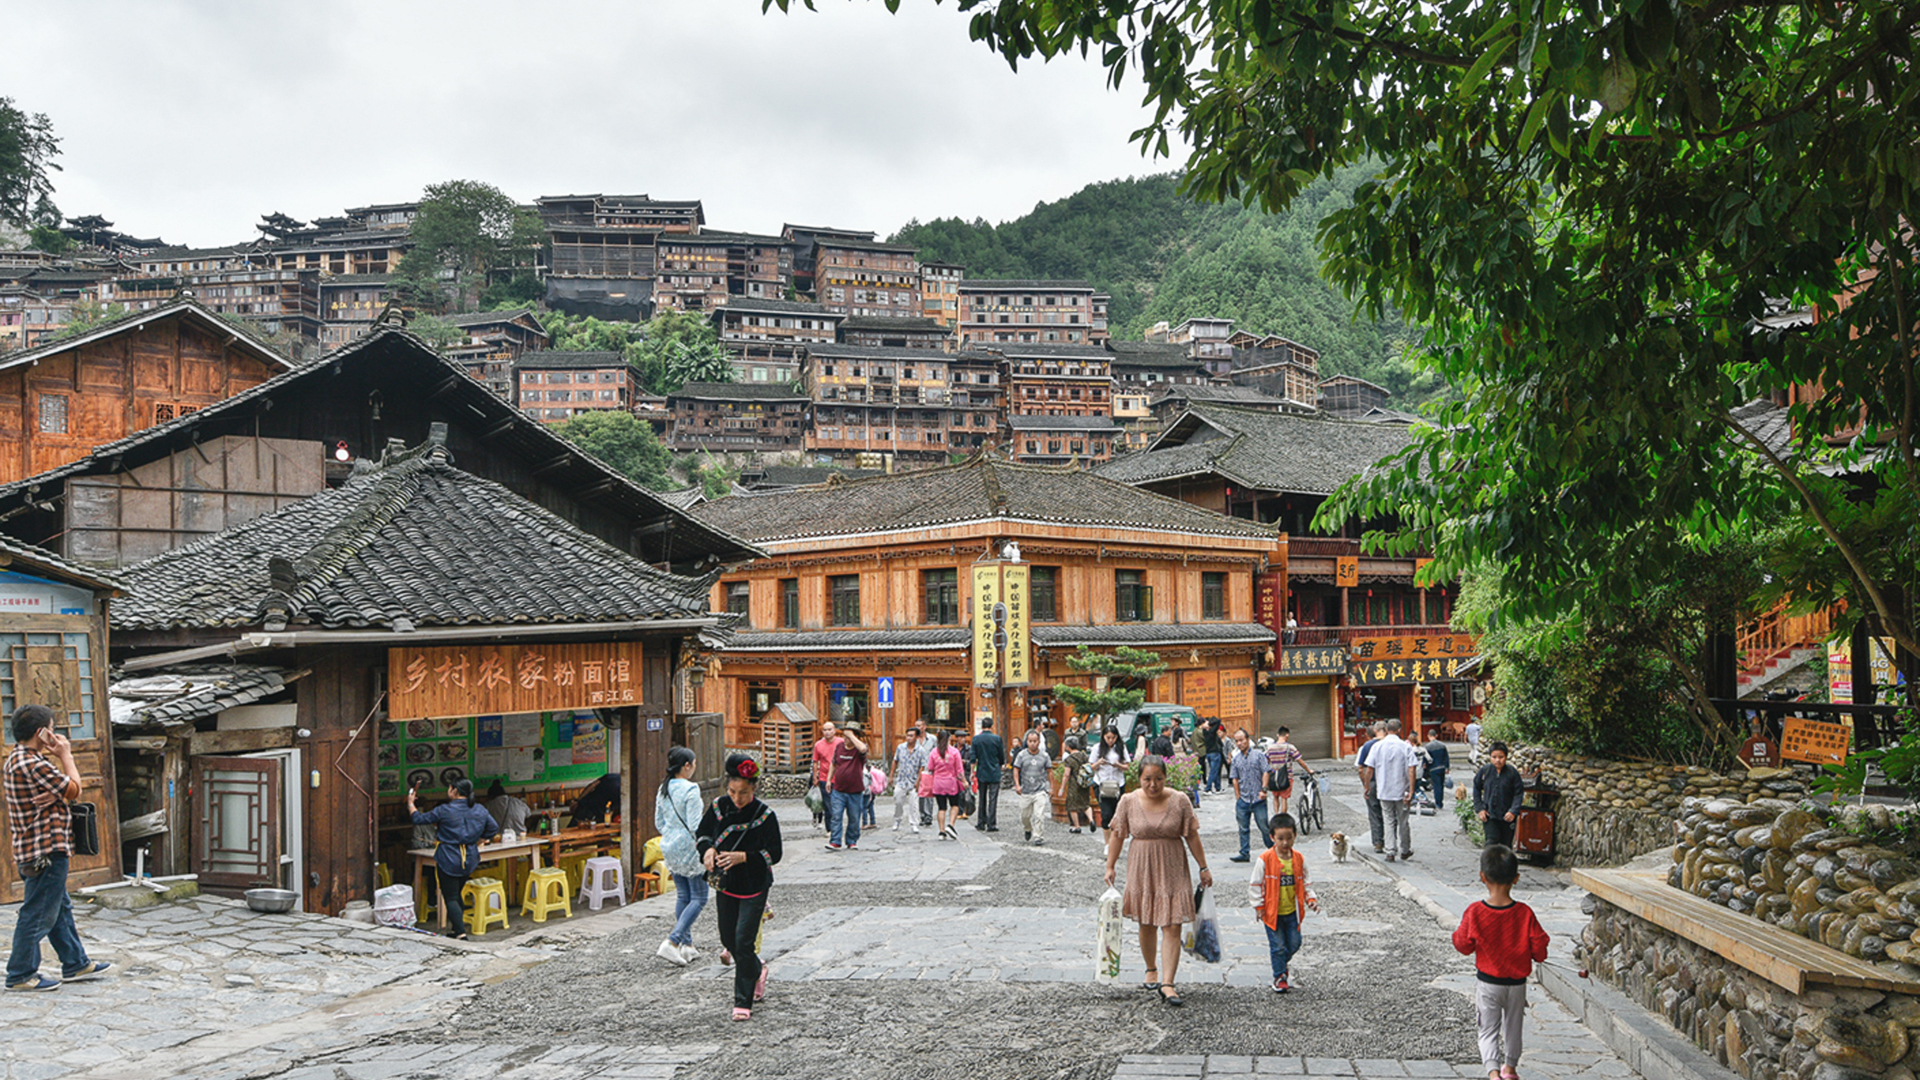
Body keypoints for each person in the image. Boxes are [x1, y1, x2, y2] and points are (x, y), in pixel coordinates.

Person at [4, 705, 111, 991]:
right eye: (52, 728)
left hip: (33, 848)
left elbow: (58, 791)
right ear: (42, 732)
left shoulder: (18, 757)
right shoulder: (35, 764)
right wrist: (65, 755)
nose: (56, 734)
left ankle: (75, 963)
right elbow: (75, 788)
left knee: (59, 908)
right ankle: (20, 974)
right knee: (38, 913)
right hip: (46, 849)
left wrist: (56, 796)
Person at [1104, 756, 1213, 1007]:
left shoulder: (1180, 801)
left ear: (1166, 778)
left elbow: (1192, 836)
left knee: (1173, 924)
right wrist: (1110, 866)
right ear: (1138, 779)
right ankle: (1151, 968)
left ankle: (1168, 983)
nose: (1153, 785)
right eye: (1147, 780)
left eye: (1158, 779)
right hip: (1142, 867)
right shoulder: (1128, 801)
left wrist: (1203, 867)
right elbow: (1118, 836)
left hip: (1173, 867)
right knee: (1147, 922)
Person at [1453, 845, 1551, 1080]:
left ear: (1482, 876)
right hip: (1517, 984)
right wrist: (1534, 953)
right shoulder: (1525, 913)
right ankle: (1511, 1069)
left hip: (1488, 983)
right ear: (1516, 878)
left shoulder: (1475, 912)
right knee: (1513, 1027)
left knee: (1488, 1029)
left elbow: (1463, 945)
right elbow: (1540, 949)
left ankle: (1493, 1072)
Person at [698, 753, 783, 1022]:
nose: (737, 798)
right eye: (733, 792)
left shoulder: (765, 815)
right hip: (726, 883)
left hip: (755, 884)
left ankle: (742, 1001)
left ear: (754, 788)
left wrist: (744, 857)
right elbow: (702, 835)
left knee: (744, 941)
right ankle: (757, 969)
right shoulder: (717, 807)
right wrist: (708, 851)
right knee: (728, 939)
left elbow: (775, 854)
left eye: (744, 793)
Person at [408, 778, 500, 939]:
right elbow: (493, 828)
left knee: (450, 896)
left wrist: (410, 803)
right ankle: (456, 929)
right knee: (456, 893)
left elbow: (418, 819)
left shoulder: (444, 810)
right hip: (469, 857)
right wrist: (480, 840)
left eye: (449, 788)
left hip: (448, 857)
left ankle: (460, 933)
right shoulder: (479, 809)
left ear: (454, 791)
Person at [1248, 812, 1318, 993]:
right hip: (1272, 913)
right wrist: (1259, 906)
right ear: (1272, 838)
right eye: (1280, 838)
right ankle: (1279, 975)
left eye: (1289, 838)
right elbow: (1255, 884)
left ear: (1295, 836)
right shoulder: (1264, 859)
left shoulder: (1298, 859)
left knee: (1295, 943)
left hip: (1292, 912)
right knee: (1277, 945)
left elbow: (1305, 881)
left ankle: (1279, 962)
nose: (1285, 843)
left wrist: (1310, 898)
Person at [654, 747, 706, 965]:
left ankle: (688, 946)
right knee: (700, 897)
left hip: (670, 845)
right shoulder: (691, 789)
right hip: (689, 847)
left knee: (683, 896)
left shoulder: (663, 788)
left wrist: (671, 834)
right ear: (687, 766)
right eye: (693, 764)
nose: (694, 768)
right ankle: (673, 942)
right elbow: (695, 824)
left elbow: (659, 822)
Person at [1371, 719, 1419, 861]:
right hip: (1401, 790)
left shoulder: (1378, 746)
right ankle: (1405, 849)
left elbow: (1369, 767)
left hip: (1384, 789)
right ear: (1399, 730)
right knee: (1403, 821)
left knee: (1388, 820)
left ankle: (1390, 851)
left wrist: (1367, 786)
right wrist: (1411, 790)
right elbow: (1412, 769)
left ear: (1386, 730)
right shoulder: (1406, 747)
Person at [1226, 728, 1271, 863]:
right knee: (1243, 828)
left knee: (1264, 826)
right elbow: (1234, 777)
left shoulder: (1258, 755)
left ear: (1247, 740)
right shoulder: (1236, 759)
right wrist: (1237, 795)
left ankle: (1273, 850)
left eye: (1241, 740)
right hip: (1243, 800)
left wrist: (1264, 789)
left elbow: (1266, 771)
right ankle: (1244, 853)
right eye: (1237, 741)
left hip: (1258, 799)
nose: (1239, 743)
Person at [825, 720, 870, 852]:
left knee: (854, 817)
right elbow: (834, 763)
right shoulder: (839, 747)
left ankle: (851, 841)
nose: (845, 739)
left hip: (855, 791)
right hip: (838, 789)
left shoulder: (859, 749)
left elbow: (863, 749)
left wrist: (851, 736)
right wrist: (829, 780)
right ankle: (835, 841)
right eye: (844, 736)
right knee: (836, 815)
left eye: (848, 736)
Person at [1474, 742, 1525, 851]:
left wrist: (1513, 811)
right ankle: (1487, 867)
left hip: (1507, 817)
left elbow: (1518, 793)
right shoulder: (1485, 771)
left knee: (1505, 846)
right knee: (1491, 842)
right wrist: (1480, 809)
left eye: (1501, 757)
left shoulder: (1512, 773)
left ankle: (1505, 868)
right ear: (1490, 757)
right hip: (1489, 815)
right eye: (1494, 757)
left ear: (1506, 757)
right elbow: (1476, 788)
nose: (1498, 760)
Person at [921, 729, 967, 840]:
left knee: (941, 808)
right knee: (954, 805)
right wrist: (964, 781)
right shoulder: (954, 752)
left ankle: (941, 832)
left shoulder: (934, 752)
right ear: (949, 739)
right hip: (951, 782)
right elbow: (959, 770)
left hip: (938, 783)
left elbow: (930, 767)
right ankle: (951, 825)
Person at [1012, 728, 1052, 845]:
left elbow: (1049, 771)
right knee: (1025, 815)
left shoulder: (1044, 756)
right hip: (1026, 790)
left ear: (1039, 742)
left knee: (1039, 815)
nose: (1033, 743)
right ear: (1027, 742)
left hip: (1040, 789)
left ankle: (1038, 836)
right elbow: (1016, 769)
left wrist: (1052, 788)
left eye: (1035, 741)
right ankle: (1027, 828)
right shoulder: (1021, 755)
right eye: (1030, 741)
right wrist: (1017, 785)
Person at [1264, 726, 1314, 818]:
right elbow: (1300, 761)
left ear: (1277, 735)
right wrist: (1308, 770)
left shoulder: (1270, 748)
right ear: (1287, 735)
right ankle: (1283, 818)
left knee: (1275, 797)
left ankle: (1276, 816)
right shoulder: (1289, 747)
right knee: (1284, 798)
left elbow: (1266, 763)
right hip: (1287, 777)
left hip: (1273, 777)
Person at [1355, 721, 1387, 853]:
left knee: (1374, 812)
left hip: (1373, 782)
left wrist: (1366, 785)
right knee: (1391, 813)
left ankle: (1378, 842)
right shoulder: (1390, 744)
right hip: (1388, 782)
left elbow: (1361, 768)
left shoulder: (1367, 746)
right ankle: (1392, 841)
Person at [891, 726, 929, 833]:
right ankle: (897, 820)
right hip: (901, 779)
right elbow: (895, 761)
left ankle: (914, 823)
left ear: (916, 737)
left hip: (913, 780)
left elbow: (922, 766)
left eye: (911, 736)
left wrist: (918, 781)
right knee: (898, 801)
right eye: (907, 735)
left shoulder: (921, 750)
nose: (908, 738)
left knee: (914, 804)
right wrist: (891, 776)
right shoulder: (900, 747)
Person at [970, 717, 1006, 832]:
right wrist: (1000, 765)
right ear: (992, 726)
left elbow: (973, 757)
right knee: (993, 798)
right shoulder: (997, 739)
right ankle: (992, 823)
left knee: (982, 797)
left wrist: (972, 772)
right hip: (994, 771)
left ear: (982, 726)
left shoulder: (976, 739)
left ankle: (981, 821)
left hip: (982, 770)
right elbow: (1001, 755)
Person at [1090, 726, 1129, 830]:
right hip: (1102, 784)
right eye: (1108, 737)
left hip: (1117, 783)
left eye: (1113, 737)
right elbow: (1091, 767)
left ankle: (1114, 840)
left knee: (1117, 814)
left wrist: (1118, 765)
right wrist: (1099, 763)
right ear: (1103, 737)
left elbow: (1127, 767)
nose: (1111, 740)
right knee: (1106, 814)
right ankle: (1108, 842)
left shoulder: (1121, 748)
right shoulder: (1097, 748)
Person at [809, 720, 840, 829]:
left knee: (838, 805)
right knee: (828, 805)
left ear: (834, 731)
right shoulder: (818, 745)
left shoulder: (840, 743)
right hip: (824, 778)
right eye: (825, 730)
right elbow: (815, 761)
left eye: (830, 729)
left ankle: (837, 827)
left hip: (839, 778)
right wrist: (814, 777)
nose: (827, 732)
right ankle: (829, 829)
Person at [1061, 735, 1092, 833]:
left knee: (1072, 806)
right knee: (1085, 804)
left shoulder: (1069, 759)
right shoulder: (1084, 756)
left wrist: (1062, 788)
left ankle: (1077, 826)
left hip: (1074, 783)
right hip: (1084, 782)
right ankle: (1091, 819)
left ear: (1068, 746)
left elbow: (1066, 774)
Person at [1425, 730, 1452, 810]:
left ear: (1428, 736)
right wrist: (1447, 767)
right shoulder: (1442, 745)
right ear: (1436, 735)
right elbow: (1446, 757)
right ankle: (1440, 801)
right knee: (1441, 785)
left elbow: (1426, 759)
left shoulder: (1428, 747)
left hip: (1433, 768)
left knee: (1436, 786)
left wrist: (1426, 768)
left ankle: (1438, 803)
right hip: (1442, 767)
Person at [1201, 718, 1225, 794]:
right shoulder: (1212, 732)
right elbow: (1218, 721)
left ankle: (1218, 787)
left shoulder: (1204, 732)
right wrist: (1211, 722)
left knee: (1215, 770)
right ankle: (1208, 788)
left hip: (1208, 753)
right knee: (1213, 771)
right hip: (1215, 753)